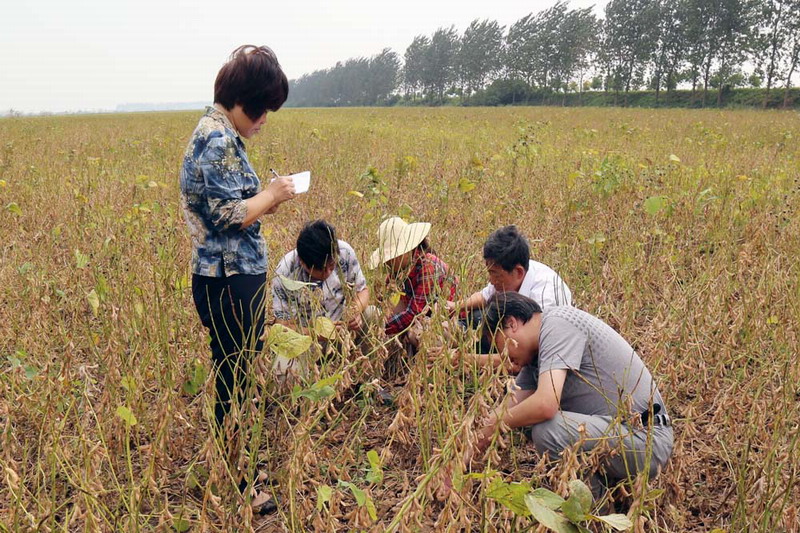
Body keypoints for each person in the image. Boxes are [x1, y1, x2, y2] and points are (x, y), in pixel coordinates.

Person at [180, 44, 294, 512]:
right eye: (262, 109)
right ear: (243, 99)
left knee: (238, 371)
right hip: (228, 279)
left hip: (229, 276)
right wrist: (273, 194)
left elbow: (230, 204)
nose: (264, 119)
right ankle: (241, 478)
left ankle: (238, 462)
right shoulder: (218, 139)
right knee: (236, 375)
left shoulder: (218, 132)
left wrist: (264, 198)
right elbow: (228, 215)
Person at [475, 292, 673, 491]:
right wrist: (464, 453)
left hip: (646, 440)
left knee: (548, 430)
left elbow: (545, 405)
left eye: (498, 345)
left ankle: (590, 508)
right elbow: (506, 410)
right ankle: (604, 495)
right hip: (621, 436)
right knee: (524, 417)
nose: (502, 356)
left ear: (511, 324)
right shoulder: (536, 355)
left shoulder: (557, 325)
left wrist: (495, 422)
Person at [271, 220, 370, 374]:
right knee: (283, 365)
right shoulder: (285, 272)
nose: (328, 273)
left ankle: (363, 380)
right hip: (306, 341)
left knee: (372, 314)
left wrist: (354, 311)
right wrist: (319, 333)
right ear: (303, 263)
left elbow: (363, 291)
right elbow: (283, 328)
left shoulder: (345, 252)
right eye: (321, 270)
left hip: (342, 332)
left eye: (331, 266)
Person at [368, 216, 457, 348]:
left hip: (446, 321)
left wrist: (380, 330)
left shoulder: (429, 266)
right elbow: (385, 302)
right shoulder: (399, 270)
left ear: (408, 250)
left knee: (415, 334)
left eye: (393, 256)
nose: (388, 262)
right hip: (423, 318)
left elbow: (414, 314)